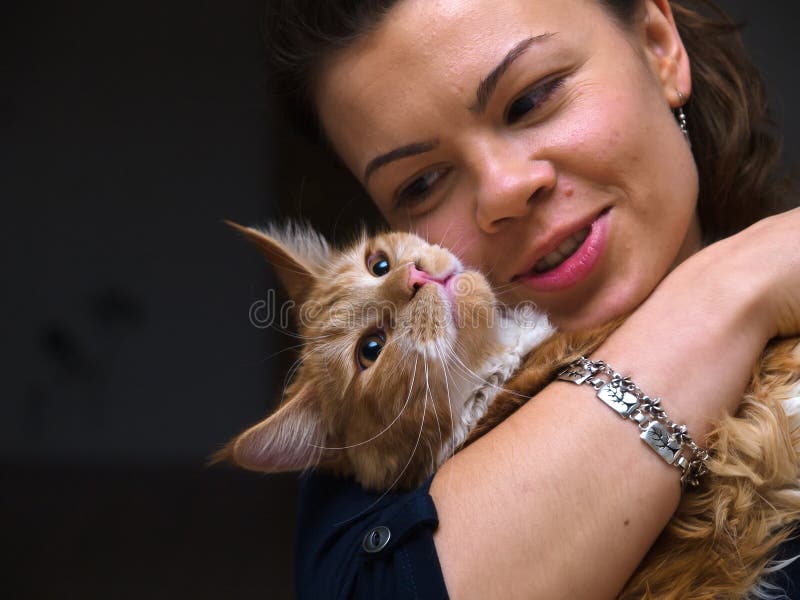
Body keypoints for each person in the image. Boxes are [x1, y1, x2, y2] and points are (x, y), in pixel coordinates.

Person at [266, 0, 800, 597]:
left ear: (658, 47)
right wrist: (727, 290)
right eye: (421, 184)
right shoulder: (377, 453)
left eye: (531, 99)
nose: (504, 191)